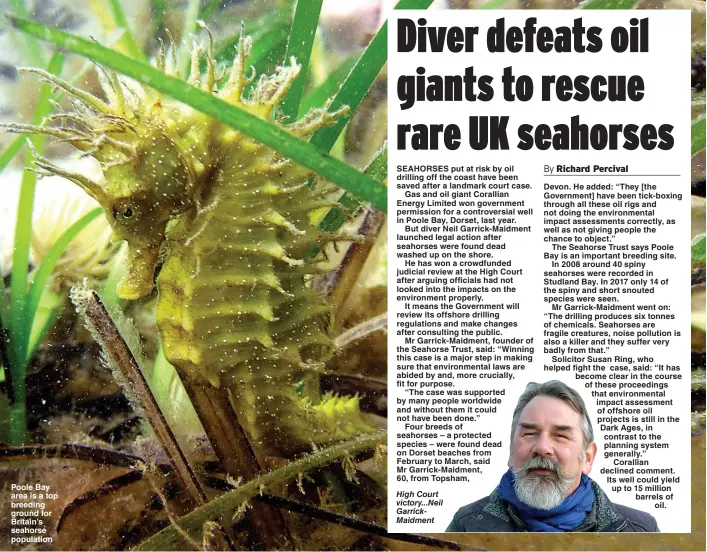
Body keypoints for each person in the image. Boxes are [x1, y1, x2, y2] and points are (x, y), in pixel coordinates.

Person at [446, 380, 659, 532]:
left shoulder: (639, 531)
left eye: (560, 435)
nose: (542, 447)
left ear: (587, 457)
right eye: (529, 434)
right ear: (511, 451)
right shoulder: (467, 525)